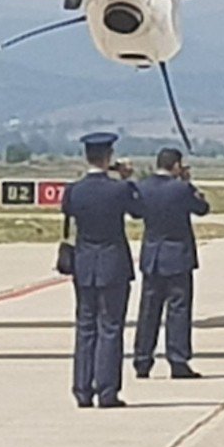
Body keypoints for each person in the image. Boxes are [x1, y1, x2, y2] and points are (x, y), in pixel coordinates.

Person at [61, 132, 144, 408]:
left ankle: (82, 389)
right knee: (110, 327)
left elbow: (70, 216)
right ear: (109, 156)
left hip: (84, 264)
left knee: (85, 326)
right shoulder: (118, 190)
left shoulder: (74, 190)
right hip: (113, 263)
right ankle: (107, 389)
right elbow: (139, 210)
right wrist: (128, 179)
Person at [132, 147, 211, 380]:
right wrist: (190, 184)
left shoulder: (143, 187)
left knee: (148, 310)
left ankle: (142, 359)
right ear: (176, 166)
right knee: (178, 308)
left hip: (153, 255)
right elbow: (202, 208)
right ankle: (178, 359)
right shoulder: (181, 189)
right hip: (177, 255)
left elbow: (136, 213)